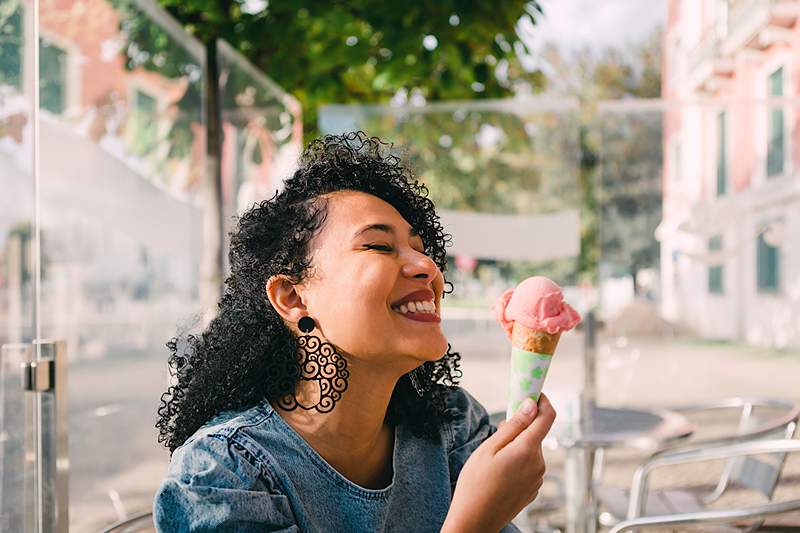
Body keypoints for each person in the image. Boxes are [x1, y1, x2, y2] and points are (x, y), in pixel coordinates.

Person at [153, 132, 556, 532]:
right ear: (292, 296)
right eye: (379, 246)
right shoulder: (223, 475)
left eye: (420, 248)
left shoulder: (452, 427)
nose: (426, 267)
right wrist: (473, 524)